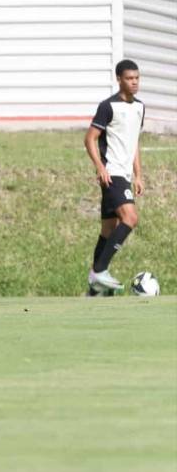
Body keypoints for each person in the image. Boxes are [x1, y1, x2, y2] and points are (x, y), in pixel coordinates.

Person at [83, 59, 145, 296]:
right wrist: (100, 167)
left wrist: (138, 174)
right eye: (129, 78)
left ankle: (95, 288)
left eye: (137, 78)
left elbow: (133, 142)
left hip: (125, 174)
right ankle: (99, 271)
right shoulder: (108, 106)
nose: (134, 82)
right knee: (130, 218)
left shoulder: (140, 107)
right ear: (119, 79)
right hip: (112, 173)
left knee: (109, 228)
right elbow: (90, 138)